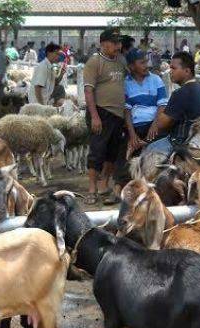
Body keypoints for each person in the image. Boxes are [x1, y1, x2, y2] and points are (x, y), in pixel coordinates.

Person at [110, 48, 168, 204]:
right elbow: (127, 110)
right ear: (131, 66)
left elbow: (162, 106)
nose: (146, 65)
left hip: (154, 124)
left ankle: (155, 189)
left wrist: (155, 126)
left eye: (146, 61)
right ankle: (119, 189)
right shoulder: (126, 83)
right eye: (142, 62)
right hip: (135, 126)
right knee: (124, 153)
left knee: (156, 152)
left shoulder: (156, 80)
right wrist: (132, 134)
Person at [83, 28, 126, 205]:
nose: (118, 46)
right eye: (114, 43)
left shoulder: (120, 61)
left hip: (118, 114)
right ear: (103, 44)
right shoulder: (95, 62)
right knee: (97, 152)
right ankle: (92, 189)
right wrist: (94, 116)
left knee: (112, 153)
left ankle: (104, 184)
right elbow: (88, 90)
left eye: (119, 43)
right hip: (100, 112)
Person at [141, 51, 200, 157]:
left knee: (147, 151)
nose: (170, 71)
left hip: (181, 143)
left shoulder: (181, 93)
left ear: (187, 71)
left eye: (174, 68)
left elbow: (161, 124)